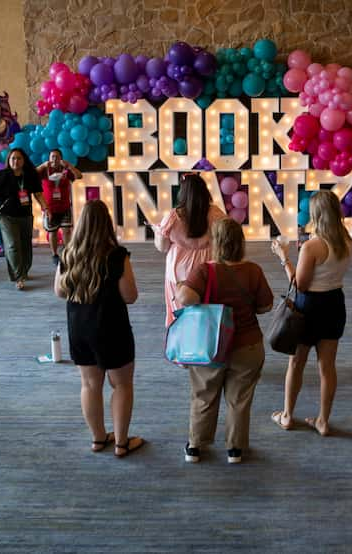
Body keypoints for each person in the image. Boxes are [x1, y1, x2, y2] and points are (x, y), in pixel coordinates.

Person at [176, 218, 274, 464]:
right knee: (239, 400)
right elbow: (266, 306)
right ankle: (235, 450)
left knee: (204, 395)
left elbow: (185, 298)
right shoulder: (253, 270)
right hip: (247, 345)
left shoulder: (205, 271)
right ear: (240, 242)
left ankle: (195, 447)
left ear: (216, 243)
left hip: (210, 346)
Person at [54, 200, 144, 457]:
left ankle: (97, 438)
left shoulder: (68, 254)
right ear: (107, 224)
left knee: (90, 385)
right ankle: (122, 443)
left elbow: (59, 291)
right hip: (111, 327)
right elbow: (130, 296)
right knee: (122, 385)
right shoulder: (117, 256)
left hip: (79, 327)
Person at [269, 190, 352, 436]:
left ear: (316, 215)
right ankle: (323, 421)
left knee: (296, 363)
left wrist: (283, 257)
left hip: (309, 306)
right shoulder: (347, 241)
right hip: (335, 303)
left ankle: (287, 416)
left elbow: (300, 284)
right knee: (327, 367)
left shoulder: (312, 246)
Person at [154, 173, 226, 327]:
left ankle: (181, 342)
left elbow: (163, 247)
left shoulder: (173, 217)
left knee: (179, 311)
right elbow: (225, 238)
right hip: (207, 267)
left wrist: (157, 232)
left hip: (178, 271)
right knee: (207, 309)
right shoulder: (215, 213)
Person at [0, 148, 48, 290]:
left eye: (19, 158)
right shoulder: (2, 175)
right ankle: (19, 277)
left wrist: (46, 209)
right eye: (13, 158)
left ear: (24, 161)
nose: (16, 161)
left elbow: (39, 195)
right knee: (12, 246)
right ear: (9, 161)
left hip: (25, 216)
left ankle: (23, 271)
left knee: (25, 246)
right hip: (6, 216)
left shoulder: (30, 175)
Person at [36, 149, 82, 265]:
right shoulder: (45, 169)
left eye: (57, 157)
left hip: (64, 206)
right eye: (52, 157)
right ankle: (55, 254)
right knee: (53, 232)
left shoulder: (65, 170)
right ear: (49, 158)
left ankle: (67, 252)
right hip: (49, 208)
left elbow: (79, 176)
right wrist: (42, 165)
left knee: (67, 231)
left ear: (61, 158)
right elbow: (31, 175)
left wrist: (69, 166)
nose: (54, 159)